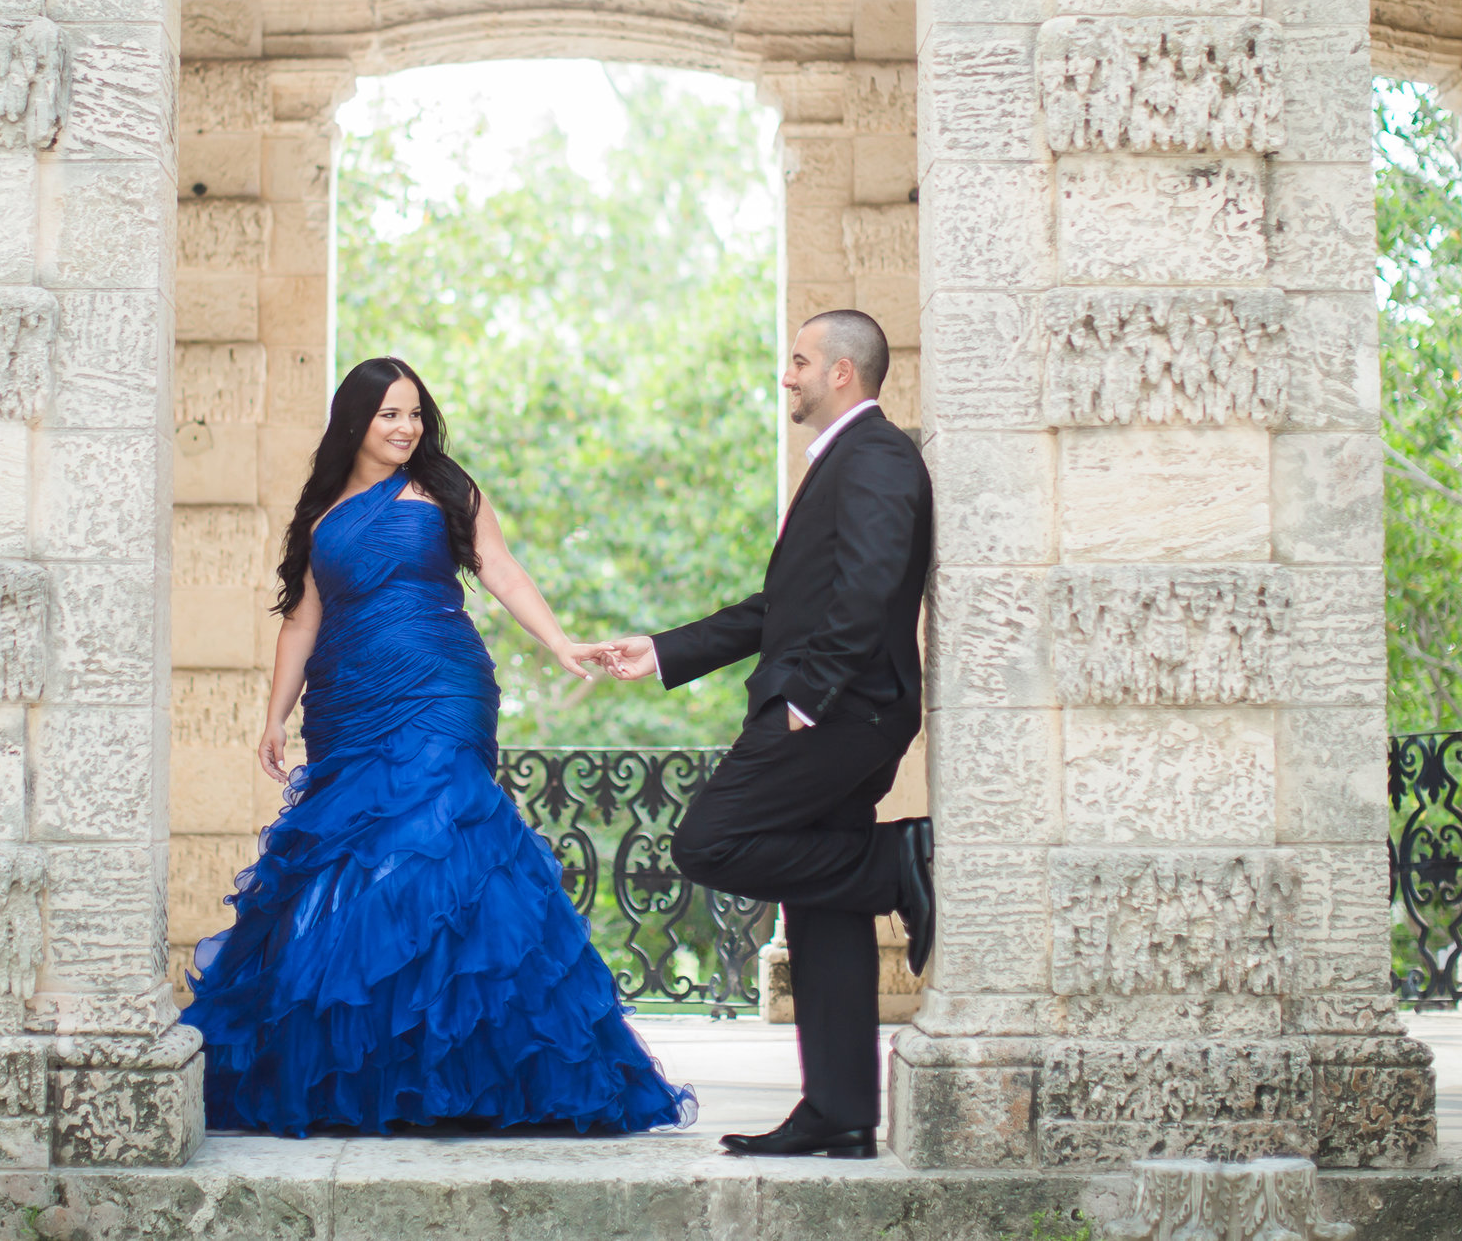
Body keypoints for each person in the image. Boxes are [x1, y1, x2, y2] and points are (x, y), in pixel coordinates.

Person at [181, 355, 694, 1137]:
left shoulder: (447, 489)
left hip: (443, 686)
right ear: (355, 421)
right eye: (390, 414)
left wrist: (560, 643)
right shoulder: (321, 516)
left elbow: (501, 568)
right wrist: (275, 717)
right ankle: (375, 1069)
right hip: (349, 702)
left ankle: (486, 1066)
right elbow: (302, 621)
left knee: (445, 844)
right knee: (358, 867)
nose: (405, 427)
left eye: (415, 413)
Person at [598, 310, 934, 1159]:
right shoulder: (844, 462)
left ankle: (901, 862)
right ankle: (842, 1111)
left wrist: (807, 701)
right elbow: (781, 607)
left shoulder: (878, 457)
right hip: (838, 710)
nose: (788, 375)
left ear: (843, 374)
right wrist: (667, 651)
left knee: (710, 840)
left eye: (800, 362)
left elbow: (868, 587)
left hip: (841, 715)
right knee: (822, 902)